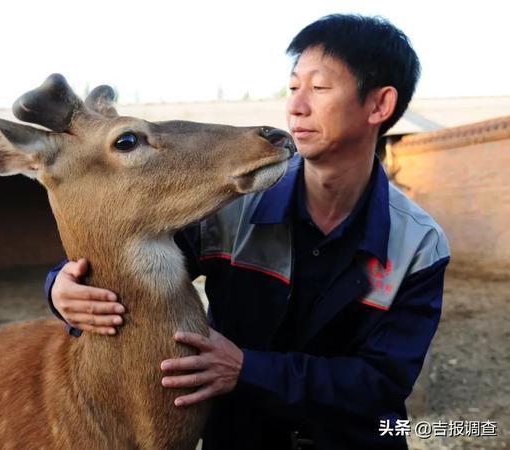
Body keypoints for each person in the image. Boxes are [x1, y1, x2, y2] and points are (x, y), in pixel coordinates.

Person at [45, 14, 450, 449]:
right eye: (294, 87)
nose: (296, 105)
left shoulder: (419, 244)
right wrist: (60, 290)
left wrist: (247, 370)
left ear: (379, 106)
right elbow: (123, 263)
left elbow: (383, 382)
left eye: (319, 88)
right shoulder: (230, 204)